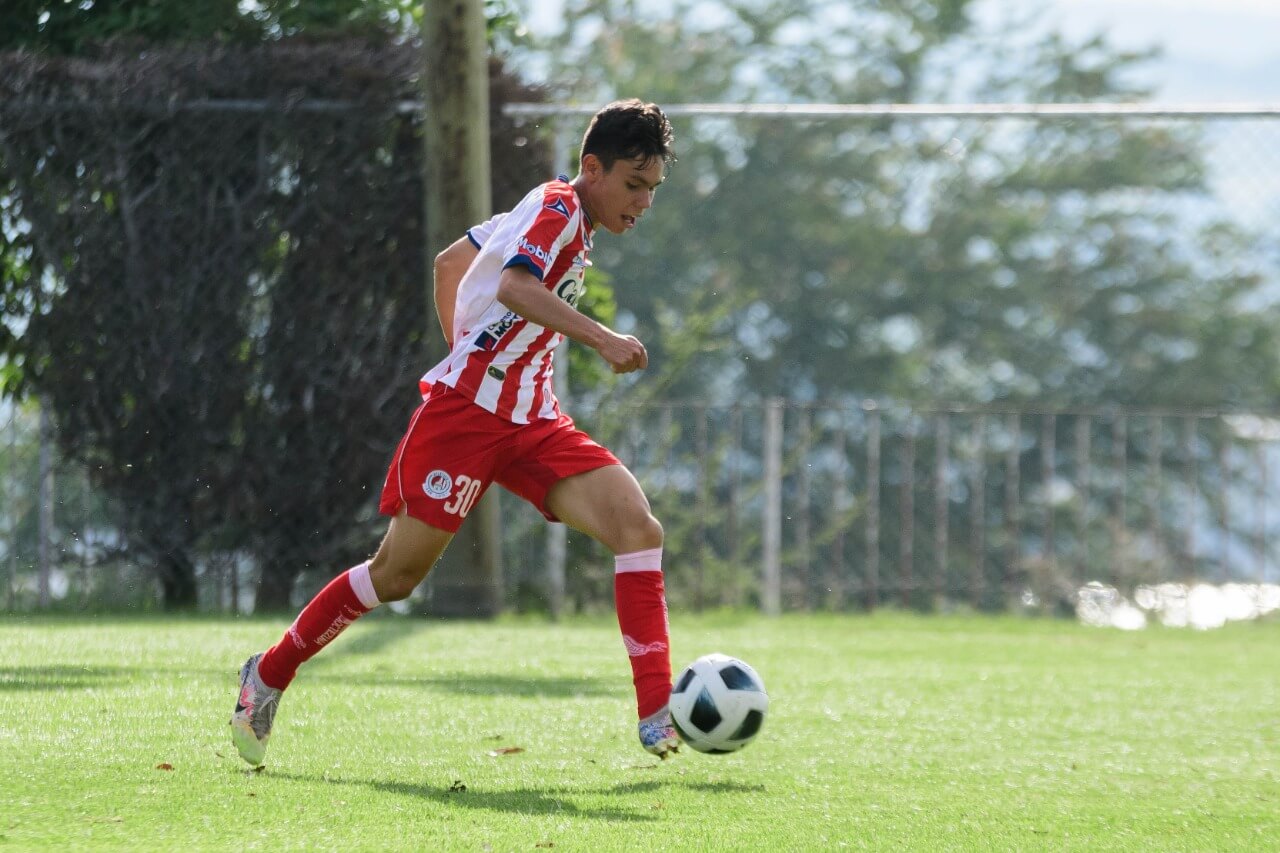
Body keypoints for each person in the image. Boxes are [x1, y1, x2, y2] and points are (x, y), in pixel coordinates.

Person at [230, 99, 680, 766]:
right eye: (634, 185)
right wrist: (599, 338)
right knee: (396, 575)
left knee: (637, 527)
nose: (642, 203)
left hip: (531, 418)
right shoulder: (557, 210)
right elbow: (514, 287)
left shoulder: (546, 210)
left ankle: (657, 710)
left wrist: (475, 351)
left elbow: (450, 264)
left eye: (653, 189)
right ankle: (267, 671)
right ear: (594, 167)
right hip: (465, 417)